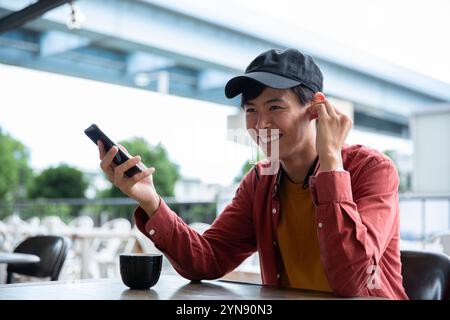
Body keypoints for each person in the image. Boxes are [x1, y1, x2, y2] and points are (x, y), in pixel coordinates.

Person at [98, 48, 408, 299]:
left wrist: (330, 159)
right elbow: (208, 258)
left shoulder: (372, 170)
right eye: (251, 111)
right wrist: (152, 202)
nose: (260, 126)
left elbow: (351, 281)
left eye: (275, 108)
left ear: (316, 109)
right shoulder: (261, 179)